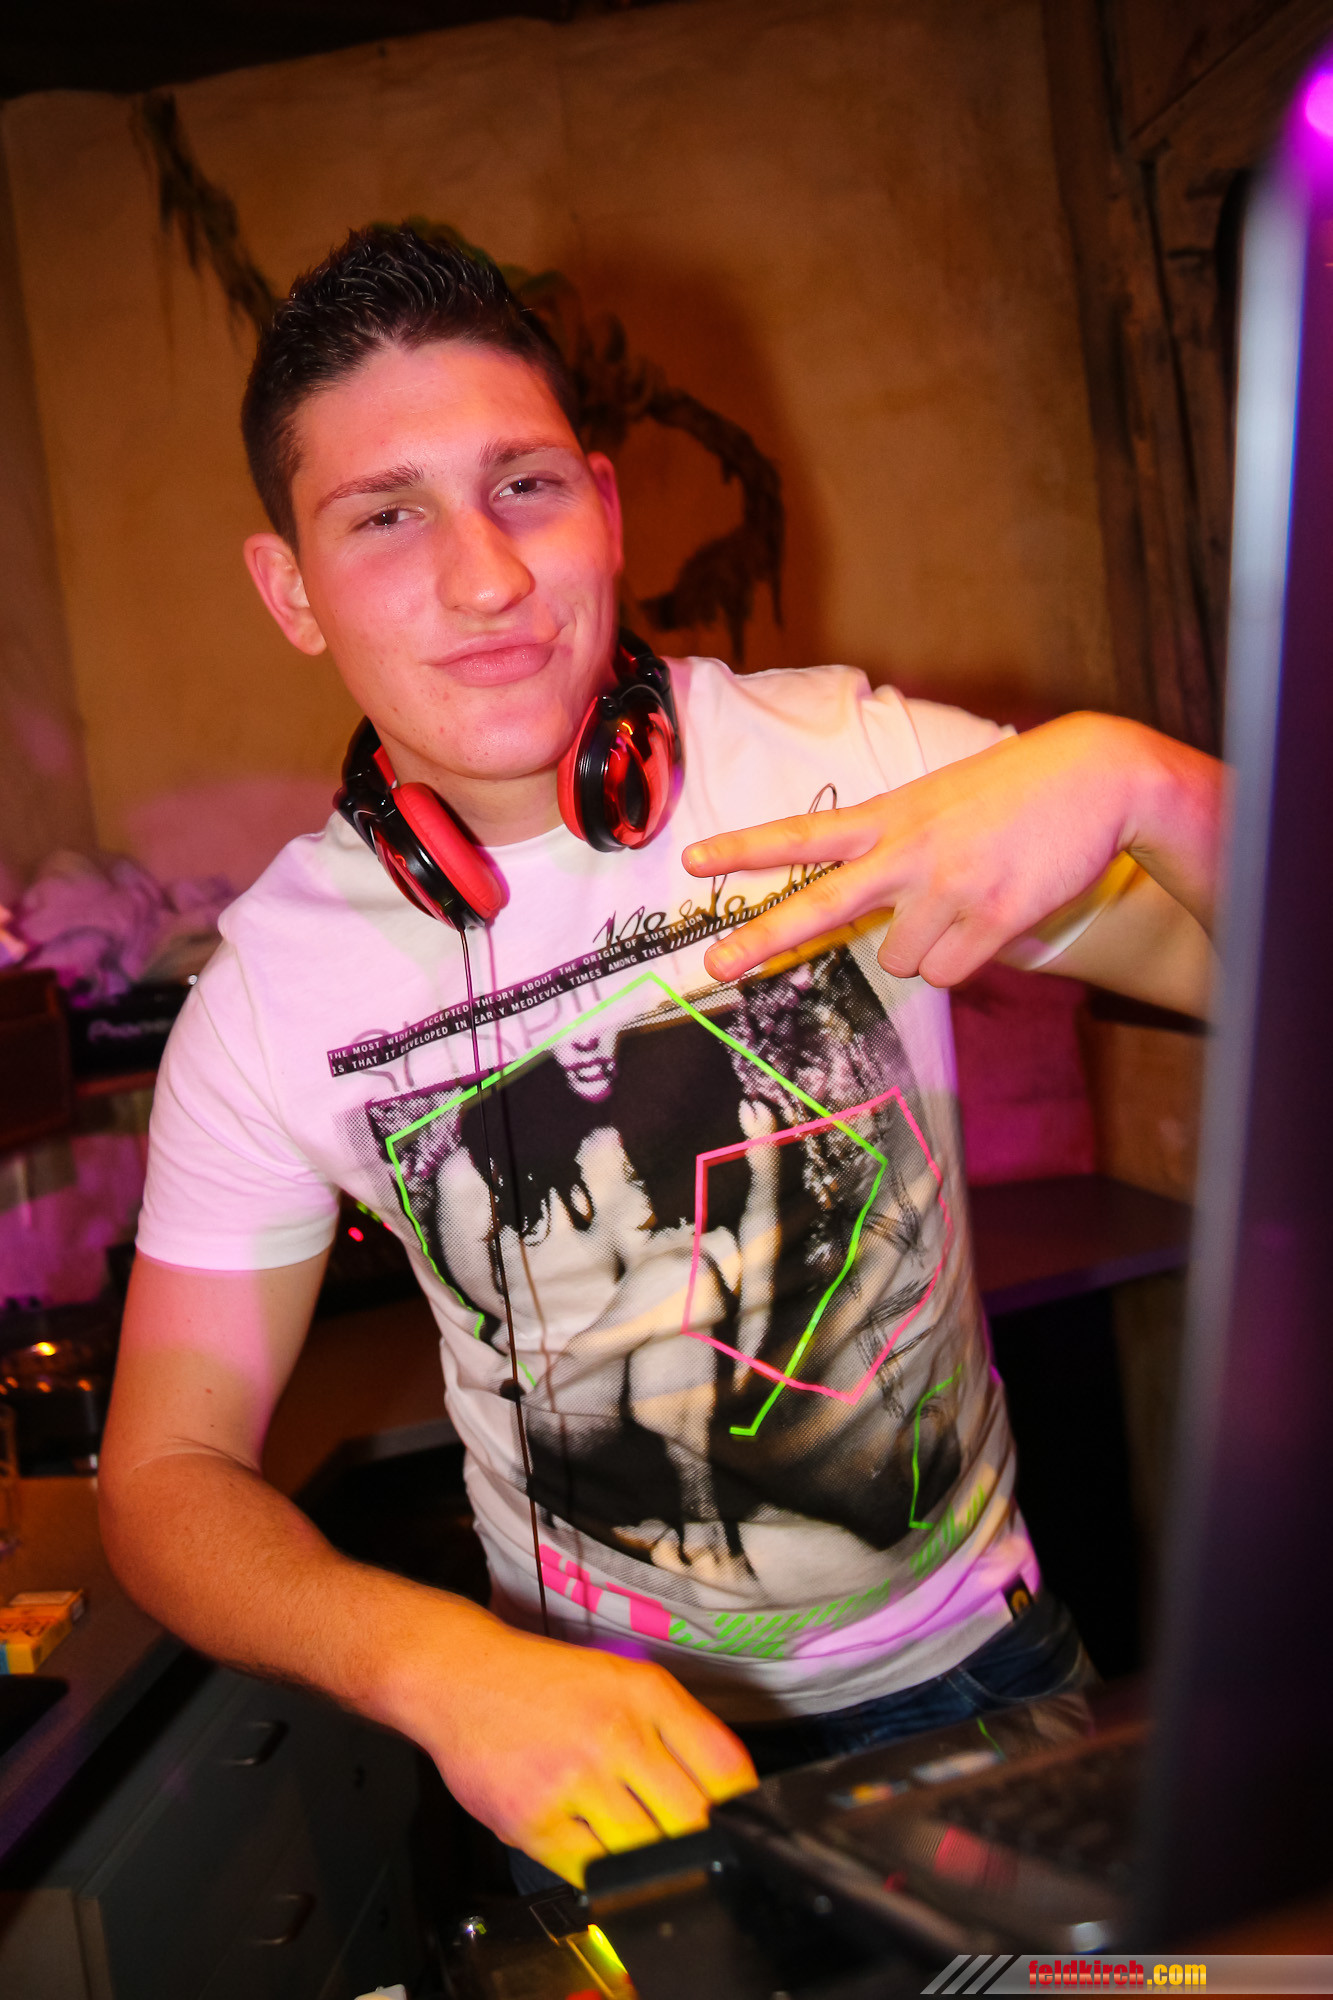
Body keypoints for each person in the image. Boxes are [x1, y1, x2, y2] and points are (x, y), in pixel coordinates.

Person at [98, 227, 1222, 1890]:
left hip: (979, 1686)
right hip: (586, 1753)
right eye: (386, 515)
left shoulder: (856, 766)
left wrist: (1147, 784)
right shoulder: (268, 997)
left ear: (607, 509)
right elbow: (161, 1473)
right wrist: (431, 1666)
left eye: (524, 486)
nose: (486, 576)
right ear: (290, 589)